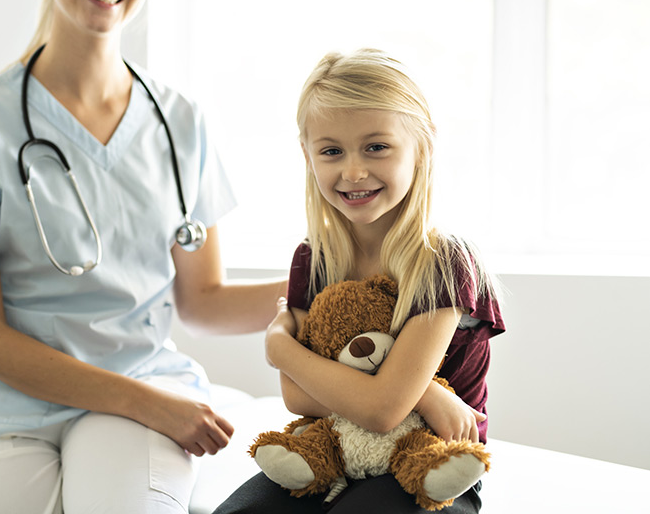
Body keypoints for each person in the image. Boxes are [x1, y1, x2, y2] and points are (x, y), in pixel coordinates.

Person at [0, 0, 287, 513]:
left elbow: (202, 301)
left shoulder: (180, 123)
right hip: (5, 401)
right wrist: (146, 402)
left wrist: (323, 287)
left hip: (141, 385)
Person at [212, 49, 506, 514]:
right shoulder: (315, 259)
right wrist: (421, 393)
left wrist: (280, 348)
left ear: (422, 145)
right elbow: (298, 398)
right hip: (332, 452)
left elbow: (382, 410)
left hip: (430, 466)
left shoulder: (444, 263)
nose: (352, 171)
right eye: (331, 151)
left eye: (376, 147)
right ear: (307, 155)